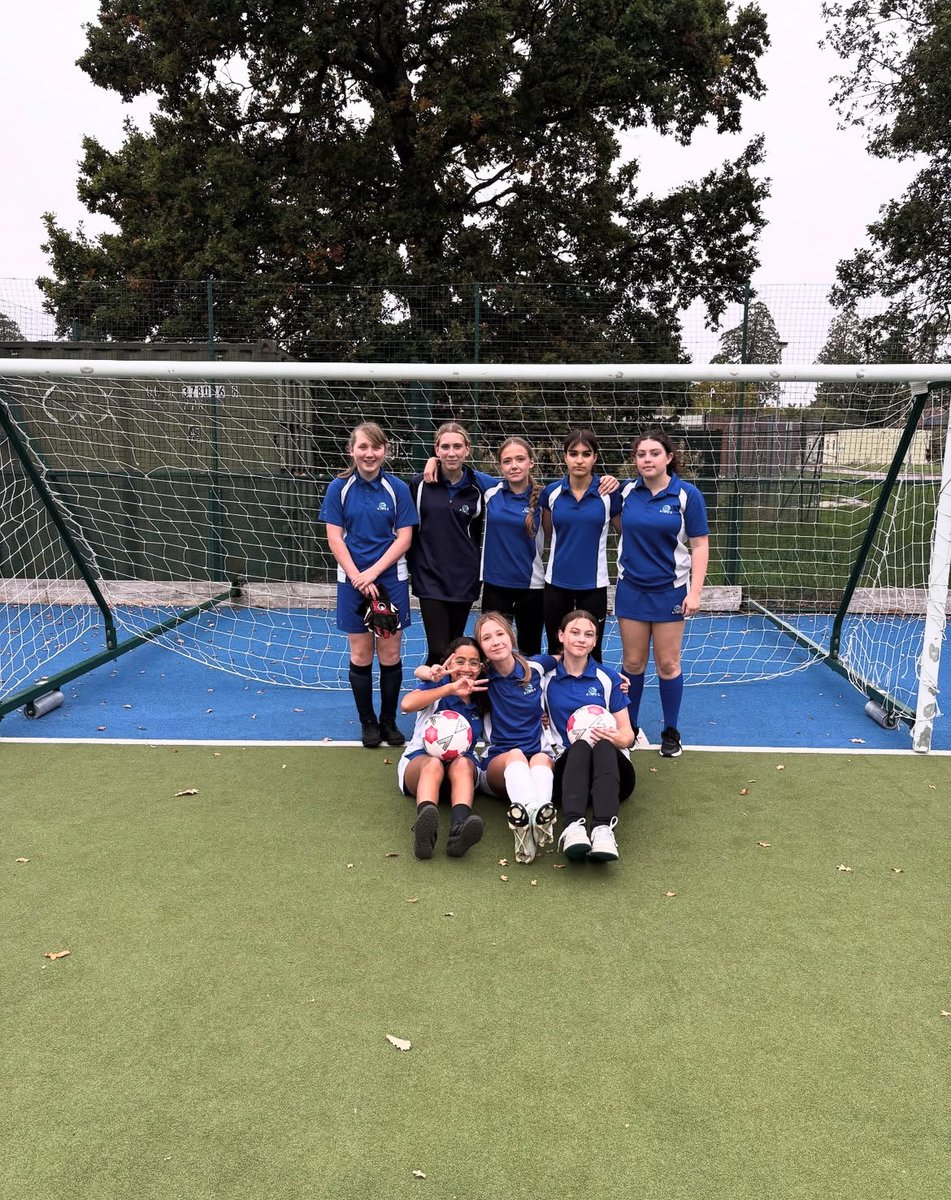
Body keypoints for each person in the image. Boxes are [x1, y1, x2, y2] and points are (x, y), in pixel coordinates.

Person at [320, 421, 417, 749]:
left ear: (385, 451)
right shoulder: (339, 488)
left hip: (389, 579)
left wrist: (373, 572)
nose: (369, 454)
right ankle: (368, 723)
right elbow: (335, 537)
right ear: (352, 451)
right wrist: (356, 575)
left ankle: (389, 722)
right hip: (352, 581)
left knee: (389, 652)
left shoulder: (397, 489)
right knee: (361, 652)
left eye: (376, 447)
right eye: (363, 447)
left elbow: (404, 538)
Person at [613, 429, 710, 758]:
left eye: (654, 453)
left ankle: (670, 730)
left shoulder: (686, 495)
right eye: (641, 454)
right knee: (633, 662)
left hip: (670, 592)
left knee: (668, 664)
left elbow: (699, 544)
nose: (647, 459)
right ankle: (632, 727)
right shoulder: (625, 492)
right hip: (631, 590)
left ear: (668, 457)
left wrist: (695, 592)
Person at [541, 611, 636, 863]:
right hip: (566, 773)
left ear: (595, 642)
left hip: (615, 774)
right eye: (574, 632)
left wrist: (616, 738)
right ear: (560, 636)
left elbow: (628, 734)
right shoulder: (544, 679)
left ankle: (603, 829)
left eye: (589, 634)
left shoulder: (608, 678)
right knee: (581, 745)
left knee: (602, 746)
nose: (581, 639)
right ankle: (573, 828)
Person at [472, 611, 557, 864]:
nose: (495, 641)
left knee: (542, 757)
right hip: (499, 765)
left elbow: (570, 659)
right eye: (487, 638)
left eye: (500, 634)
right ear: (481, 647)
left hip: (537, 758)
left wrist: (611, 675)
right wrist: (425, 670)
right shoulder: (481, 678)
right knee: (517, 754)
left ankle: (527, 828)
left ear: (511, 637)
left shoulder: (535, 667)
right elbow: (440, 674)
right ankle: (536, 814)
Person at [398, 637, 488, 860]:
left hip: (460, 772)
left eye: (474, 662)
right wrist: (447, 688)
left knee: (464, 762)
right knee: (434, 763)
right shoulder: (437, 686)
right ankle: (425, 833)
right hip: (420, 766)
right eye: (460, 661)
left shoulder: (484, 694)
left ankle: (459, 830)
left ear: (482, 667)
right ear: (448, 664)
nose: (466, 668)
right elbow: (407, 705)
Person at [540, 428, 621, 661]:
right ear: (564, 456)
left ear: (595, 457)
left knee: (592, 651)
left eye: (586, 454)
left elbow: (623, 530)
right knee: (556, 648)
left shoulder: (608, 493)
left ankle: (593, 696)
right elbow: (548, 533)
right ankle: (555, 696)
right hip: (556, 583)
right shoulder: (551, 493)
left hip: (593, 585)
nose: (579, 460)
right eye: (573, 453)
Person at [408, 422, 485, 665]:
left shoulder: (480, 486)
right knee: (438, 647)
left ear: (467, 450)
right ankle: (430, 697)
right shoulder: (418, 484)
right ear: (437, 450)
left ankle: (451, 698)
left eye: (457, 446)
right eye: (445, 447)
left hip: (464, 577)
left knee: (454, 645)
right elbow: (407, 529)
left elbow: (513, 483)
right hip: (429, 575)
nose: (451, 452)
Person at [479, 436, 545, 654]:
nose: (514, 465)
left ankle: (529, 688)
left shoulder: (545, 497)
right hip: (495, 584)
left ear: (531, 462)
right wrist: (434, 461)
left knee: (529, 650)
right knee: (492, 650)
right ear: (500, 466)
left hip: (531, 587)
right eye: (507, 461)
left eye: (520, 459)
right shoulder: (490, 491)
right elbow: (457, 468)